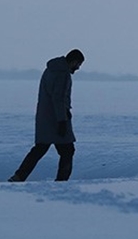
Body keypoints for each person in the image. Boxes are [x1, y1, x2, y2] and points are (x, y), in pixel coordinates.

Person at [9, 49, 84, 182]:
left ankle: (19, 176)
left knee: (39, 149)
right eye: (78, 64)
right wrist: (62, 121)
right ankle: (62, 183)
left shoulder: (50, 70)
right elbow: (58, 98)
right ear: (73, 61)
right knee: (68, 151)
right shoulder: (62, 74)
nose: (78, 68)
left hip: (45, 118)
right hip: (56, 119)